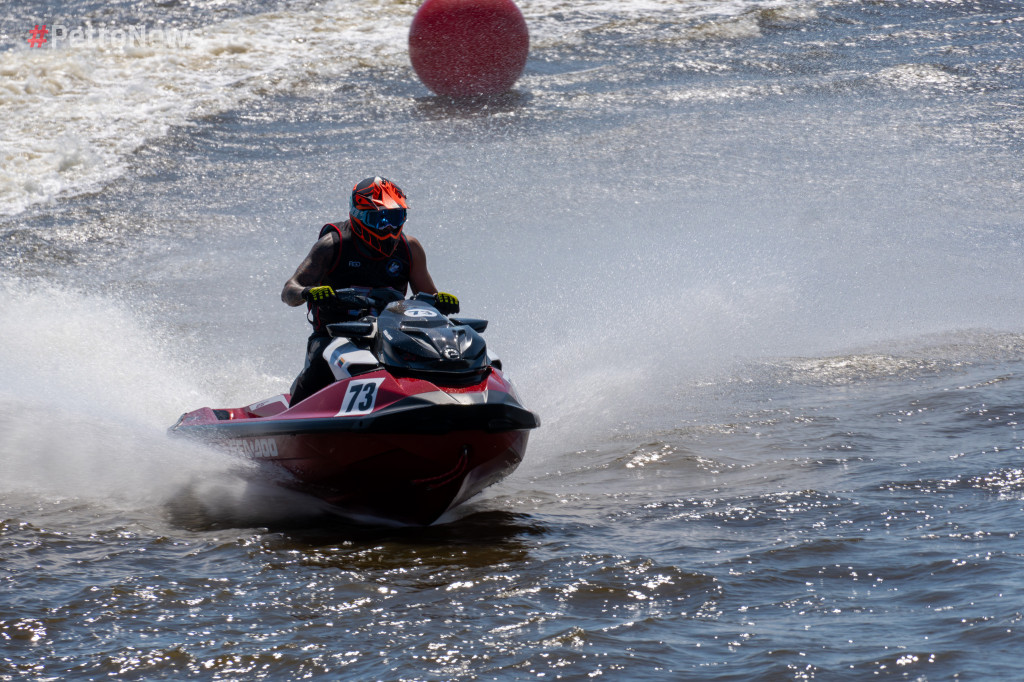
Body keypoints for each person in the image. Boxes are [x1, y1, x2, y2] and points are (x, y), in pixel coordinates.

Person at [281, 176, 459, 405]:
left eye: (395, 218)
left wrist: (441, 301)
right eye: (380, 219)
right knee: (320, 364)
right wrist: (308, 293)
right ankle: (293, 419)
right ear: (359, 217)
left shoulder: (410, 248)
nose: (388, 227)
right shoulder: (332, 245)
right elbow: (289, 290)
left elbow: (429, 298)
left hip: (393, 335)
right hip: (334, 335)